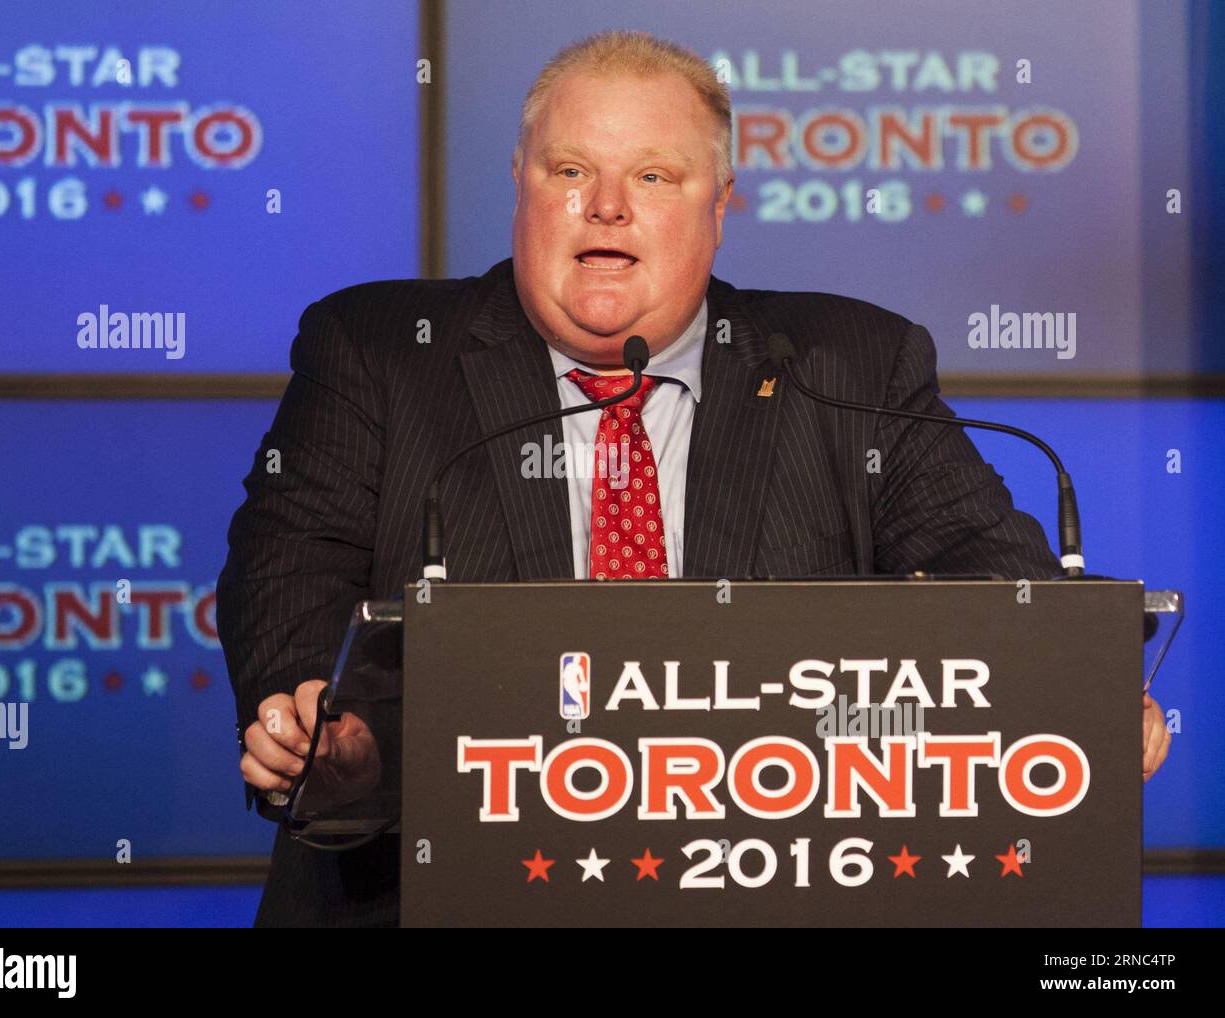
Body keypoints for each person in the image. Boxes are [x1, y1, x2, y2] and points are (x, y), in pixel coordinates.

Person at [217, 30, 1170, 928]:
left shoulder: (851, 367)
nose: (607, 207)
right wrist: (326, 733)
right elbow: (289, 570)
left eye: (653, 176)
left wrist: (1074, 693)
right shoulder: (380, 351)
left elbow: (994, 579)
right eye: (571, 171)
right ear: (520, 184)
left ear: (719, 205)